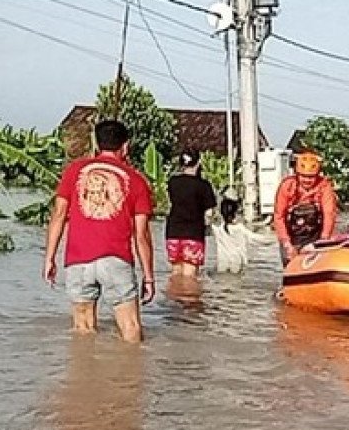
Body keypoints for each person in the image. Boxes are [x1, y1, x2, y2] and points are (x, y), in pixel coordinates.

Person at [44, 120, 156, 342]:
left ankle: (85, 375)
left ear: (96, 143)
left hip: (78, 260)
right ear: (125, 146)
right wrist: (149, 277)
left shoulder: (73, 171)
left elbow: (58, 215)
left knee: (83, 330)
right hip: (116, 260)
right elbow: (141, 235)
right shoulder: (136, 181)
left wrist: (49, 258)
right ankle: (134, 375)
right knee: (130, 326)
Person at [272, 150, 339, 264]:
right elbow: (279, 217)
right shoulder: (287, 186)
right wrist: (287, 244)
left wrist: (323, 241)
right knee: (290, 265)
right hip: (291, 236)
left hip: (316, 236)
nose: (307, 180)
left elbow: (329, 214)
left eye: (311, 177)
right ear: (297, 174)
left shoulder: (324, 186)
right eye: (303, 176)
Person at [164, 150, 217, 278]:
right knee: (190, 275)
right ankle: (189, 297)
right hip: (193, 233)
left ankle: (174, 298)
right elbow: (209, 213)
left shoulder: (173, 182)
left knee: (176, 272)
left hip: (173, 232)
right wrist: (208, 227)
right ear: (198, 163)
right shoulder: (203, 186)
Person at [211, 197, 273, 274]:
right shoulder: (239, 229)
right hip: (237, 263)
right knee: (236, 283)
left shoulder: (217, 229)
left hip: (222, 262)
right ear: (234, 214)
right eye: (239, 212)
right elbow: (259, 240)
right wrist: (276, 239)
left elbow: (209, 220)